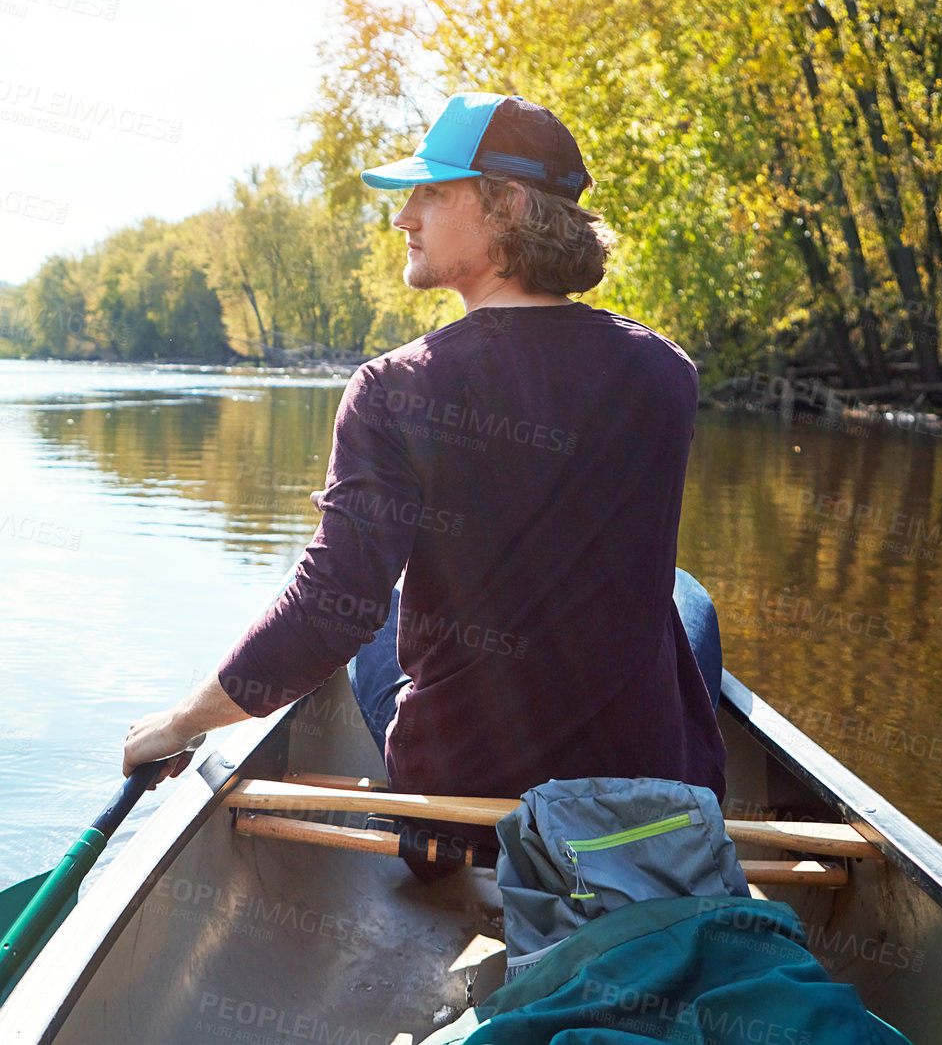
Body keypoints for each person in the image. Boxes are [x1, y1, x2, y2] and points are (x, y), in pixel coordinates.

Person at [123, 92, 725, 832]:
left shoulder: (393, 388)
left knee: (363, 605)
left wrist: (180, 722)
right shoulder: (667, 371)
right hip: (648, 797)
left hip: (461, 807)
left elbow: (326, 610)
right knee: (682, 595)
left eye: (431, 194)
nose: (404, 217)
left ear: (506, 206)